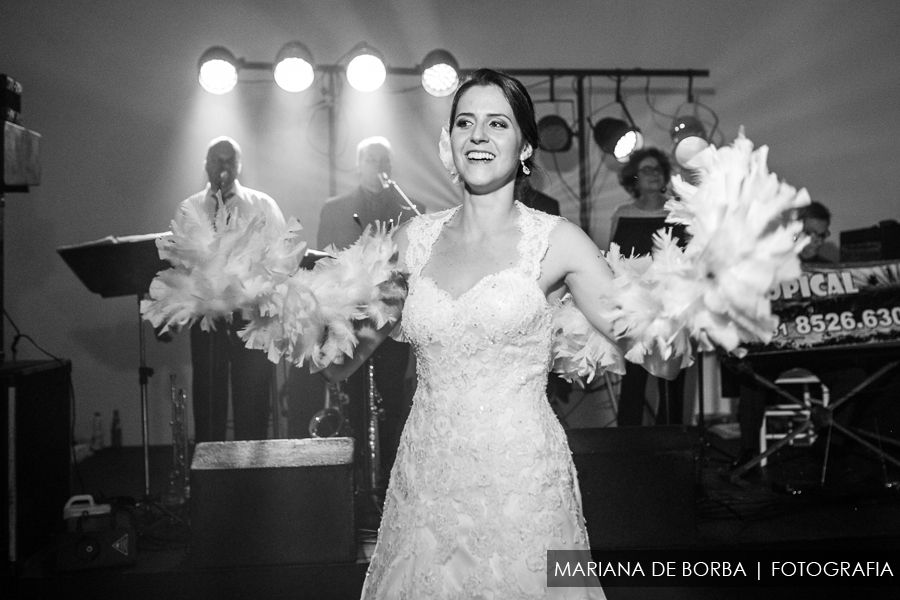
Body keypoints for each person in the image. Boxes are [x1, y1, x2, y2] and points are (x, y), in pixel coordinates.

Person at [323, 68, 638, 599]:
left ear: (525, 147)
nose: (478, 135)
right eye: (465, 122)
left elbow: (656, 348)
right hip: (428, 473)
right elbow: (340, 360)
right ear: (449, 143)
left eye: (497, 123)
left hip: (522, 477)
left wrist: (705, 301)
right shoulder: (411, 240)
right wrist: (282, 309)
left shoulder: (559, 241)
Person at [295, 137, 422, 487]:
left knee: (393, 398)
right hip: (349, 318)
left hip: (392, 320)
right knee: (352, 403)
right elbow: (323, 263)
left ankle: (388, 479)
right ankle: (357, 481)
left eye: (385, 159)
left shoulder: (411, 207)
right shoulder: (335, 208)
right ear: (358, 164)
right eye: (372, 158)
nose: (379, 164)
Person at [176, 136, 284, 443]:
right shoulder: (189, 208)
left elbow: (282, 257)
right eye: (216, 160)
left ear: (239, 166)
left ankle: (253, 476)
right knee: (209, 399)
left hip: (250, 315)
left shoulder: (261, 204)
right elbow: (180, 262)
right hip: (207, 316)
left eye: (229, 160)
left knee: (253, 401)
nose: (223, 166)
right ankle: (210, 474)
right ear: (205, 165)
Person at [610, 148, 687, 426]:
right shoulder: (623, 213)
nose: (653, 174)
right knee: (634, 378)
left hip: (672, 309)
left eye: (657, 169)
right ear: (634, 178)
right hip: (635, 311)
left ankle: (671, 444)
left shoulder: (679, 211)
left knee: (671, 381)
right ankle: (628, 444)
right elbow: (613, 263)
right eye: (646, 169)